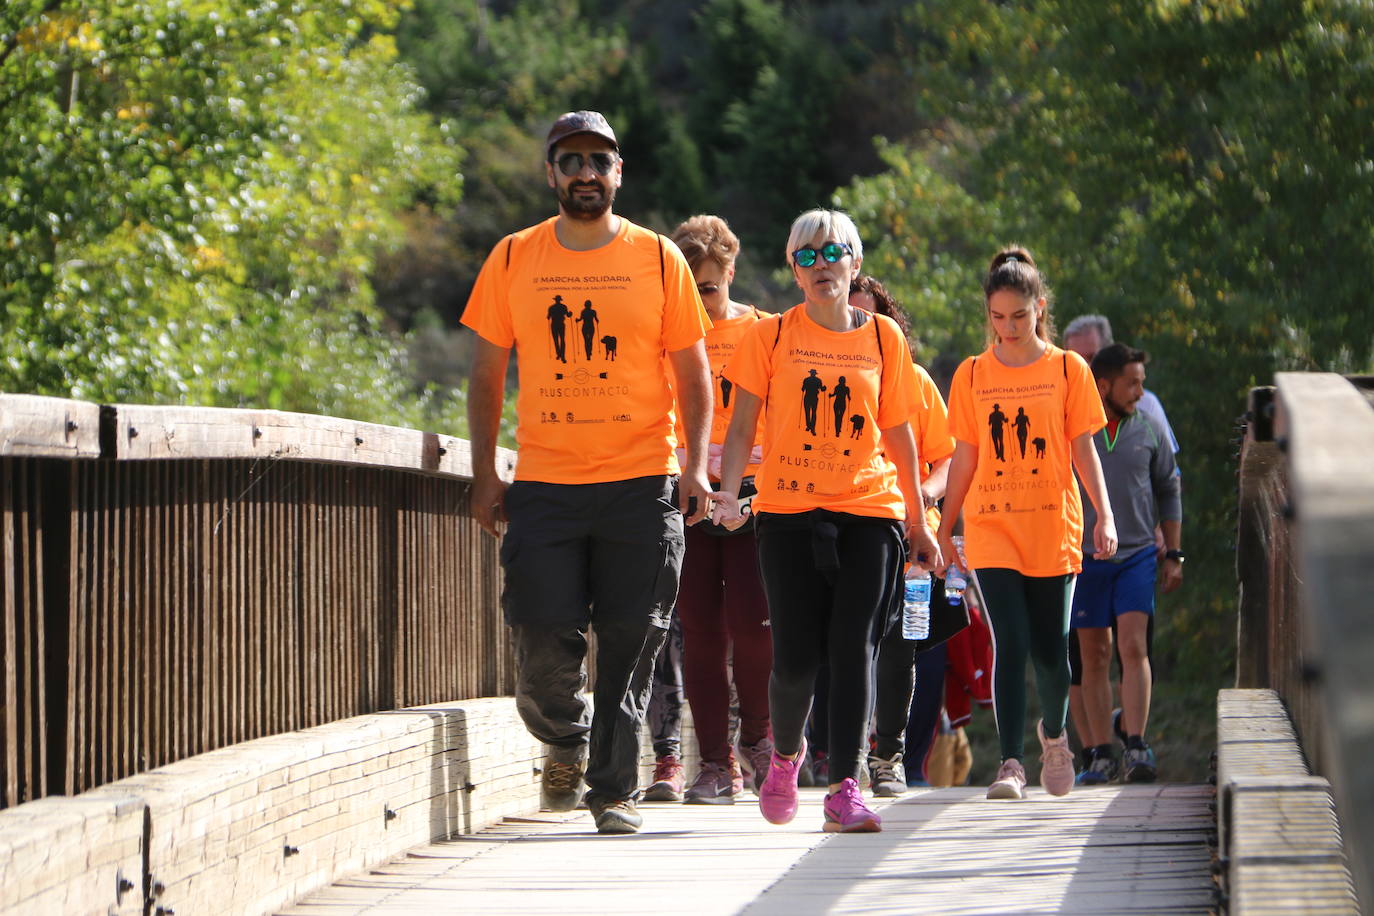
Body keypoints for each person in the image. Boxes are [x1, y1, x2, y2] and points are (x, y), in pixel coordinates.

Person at [462, 110, 714, 835]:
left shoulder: (659, 258)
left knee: (633, 642)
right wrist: (485, 474)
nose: (585, 174)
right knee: (541, 637)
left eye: (599, 162)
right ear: (550, 173)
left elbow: (694, 376)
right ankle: (566, 741)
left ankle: (611, 791)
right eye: (570, 161)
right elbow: (487, 373)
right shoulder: (514, 257)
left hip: (642, 480)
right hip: (546, 481)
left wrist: (693, 468)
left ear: (618, 173)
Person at [711, 209, 942, 834]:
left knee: (855, 648)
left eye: (832, 253)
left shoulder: (883, 340)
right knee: (796, 659)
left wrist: (919, 522)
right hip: (786, 510)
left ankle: (846, 786)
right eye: (806, 257)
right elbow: (740, 426)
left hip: (870, 511)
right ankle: (785, 757)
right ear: (793, 270)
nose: (821, 266)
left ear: (855, 263)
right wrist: (729, 494)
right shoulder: (770, 337)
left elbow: (900, 438)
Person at [936, 246, 1117, 800]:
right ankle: (1012, 762)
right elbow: (963, 456)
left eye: (1019, 315)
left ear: (1039, 308)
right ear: (987, 314)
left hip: (1052, 526)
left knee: (1051, 648)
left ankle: (1056, 737)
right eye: (998, 317)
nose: (1008, 328)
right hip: (993, 528)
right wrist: (944, 529)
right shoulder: (971, 375)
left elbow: (1084, 450)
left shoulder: (1068, 368)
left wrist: (1103, 514)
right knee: (1010, 641)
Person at [662, 214, 774, 805]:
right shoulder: (669, 336)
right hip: (688, 490)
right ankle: (714, 764)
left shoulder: (767, 331)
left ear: (731, 272)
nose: (700, 302)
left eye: (708, 287)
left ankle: (758, 734)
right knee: (701, 632)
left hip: (757, 489)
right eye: (689, 289)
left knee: (755, 626)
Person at [847, 275, 957, 797]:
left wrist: (926, 498)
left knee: (900, 647)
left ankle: (889, 756)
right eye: (851, 316)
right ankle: (837, 755)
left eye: (870, 317)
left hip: (910, 536)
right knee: (843, 644)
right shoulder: (821, 370)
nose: (860, 326)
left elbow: (948, 455)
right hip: (845, 523)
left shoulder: (914, 380)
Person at [1061, 313, 1177, 774]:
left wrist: (1171, 545)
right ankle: (1097, 751)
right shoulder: (1066, 412)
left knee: (1132, 647)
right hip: (1081, 556)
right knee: (1089, 655)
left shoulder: (1147, 414)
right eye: (1078, 360)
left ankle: (1135, 742)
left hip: (1135, 553)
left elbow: (1168, 480)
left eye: (1091, 359)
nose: (1085, 370)